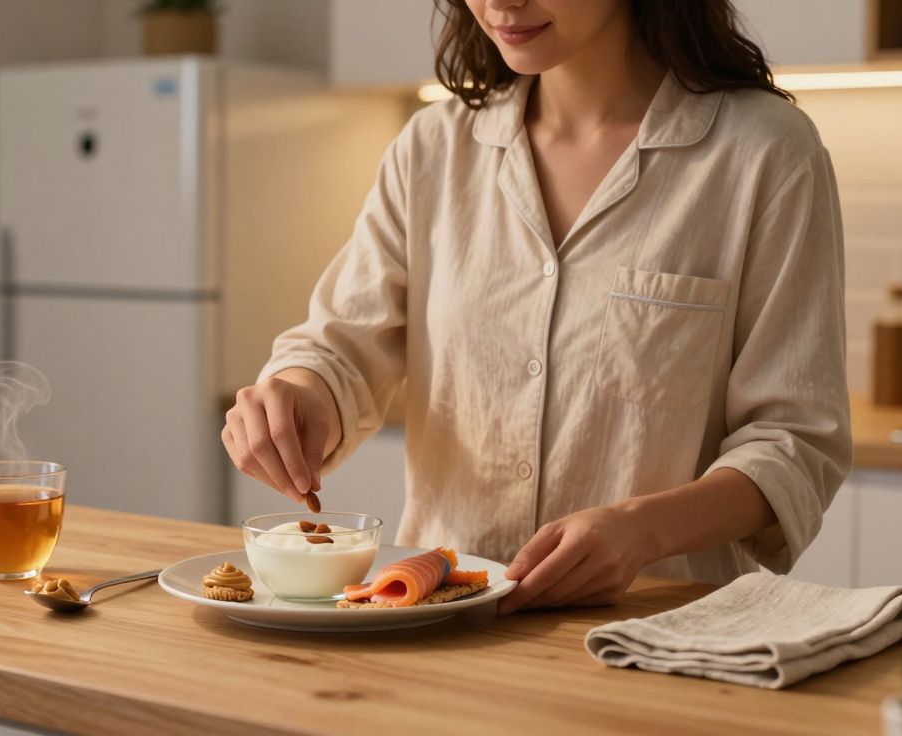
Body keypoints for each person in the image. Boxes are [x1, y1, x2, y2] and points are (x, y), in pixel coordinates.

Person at [222, 0, 851, 614]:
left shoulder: (765, 153)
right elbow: (341, 350)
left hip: (658, 635)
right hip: (439, 626)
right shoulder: (432, 149)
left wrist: (643, 530)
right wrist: (296, 398)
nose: (499, 3)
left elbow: (793, 441)